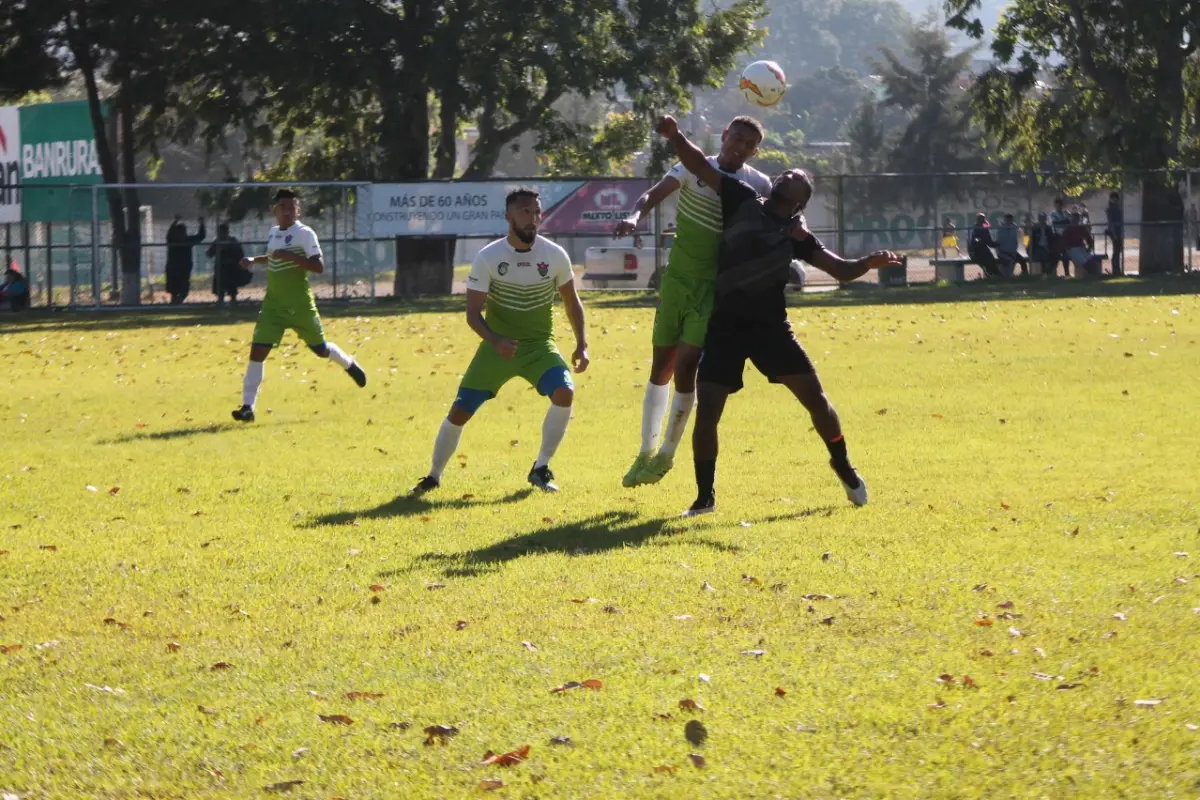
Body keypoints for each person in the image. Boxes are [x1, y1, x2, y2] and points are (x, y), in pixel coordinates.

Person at [654, 115, 900, 516]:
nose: (789, 175)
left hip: (771, 330)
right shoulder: (742, 198)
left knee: (817, 402)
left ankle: (842, 465)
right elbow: (698, 163)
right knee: (709, 408)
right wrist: (675, 135)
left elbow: (838, 269)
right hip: (726, 325)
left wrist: (868, 262)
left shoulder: (796, 235)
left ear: (802, 199)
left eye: (799, 177)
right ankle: (704, 498)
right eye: (787, 172)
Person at [612, 116, 772, 489]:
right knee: (660, 367)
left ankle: (666, 454)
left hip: (714, 290)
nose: (740, 146)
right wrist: (634, 216)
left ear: (755, 151)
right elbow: (653, 193)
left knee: (687, 365)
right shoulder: (691, 167)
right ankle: (644, 451)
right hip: (677, 282)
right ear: (724, 135)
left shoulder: (758, 184)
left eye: (749, 143)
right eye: (736, 138)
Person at [411, 189, 589, 495]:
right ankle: (433, 476)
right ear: (509, 217)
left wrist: (582, 343)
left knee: (565, 391)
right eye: (524, 212)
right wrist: (495, 342)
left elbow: (572, 303)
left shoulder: (555, 255)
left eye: (536, 212)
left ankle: (540, 467)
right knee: (460, 412)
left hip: (538, 345)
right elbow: (472, 314)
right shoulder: (489, 257)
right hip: (497, 349)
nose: (532, 219)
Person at [231, 189, 366, 422]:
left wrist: (292, 257)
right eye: (283, 206)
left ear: (298, 210)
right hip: (273, 306)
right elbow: (274, 257)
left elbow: (318, 266)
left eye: (292, 206)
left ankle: (348, 363)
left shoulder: (305, 234)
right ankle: (247, 408)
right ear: (275, 210)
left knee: (320, 349)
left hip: (300, 306)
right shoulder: (274, 232)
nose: (288, 211)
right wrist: (254, 260)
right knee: (257, 353)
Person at [165, 215, 206, 304]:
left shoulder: (188, 240)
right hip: (173, 268)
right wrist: (175, 222)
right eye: (179, 232)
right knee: (174, 289)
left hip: (184, 268)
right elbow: (169, 234)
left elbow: (201, 236)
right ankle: (174, 302)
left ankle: (179, 301)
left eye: (183, 232)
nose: (182, 234)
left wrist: (202, 224)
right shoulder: (172, 241)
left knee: (184, 289)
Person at [207, 223, 250, 305]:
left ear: (227, 232)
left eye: (223, 232)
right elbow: (209, 254)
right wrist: (218, 249)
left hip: (231, 267)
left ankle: (233, 299)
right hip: (220, 267)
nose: (221, 234)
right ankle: (220, 299)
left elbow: (240, 253)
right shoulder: (217, 242)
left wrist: (233, 259)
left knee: (232, 285)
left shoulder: (232, 241)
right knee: (219, 284)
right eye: (220, 232)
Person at [1062, 211, 1102, 276]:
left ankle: (1095, 274)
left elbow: (1089, 239)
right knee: (1085, 262)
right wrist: (1066, 250)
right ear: (1071, 219)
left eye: (1077, 219)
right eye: (1074, 218)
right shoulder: (1067, 229)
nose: (1075, 220)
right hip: (1072, 249)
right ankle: (1093, 275)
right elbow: (1064, 242)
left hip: (1082, 248)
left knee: (1091, 260)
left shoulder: (1081, 228)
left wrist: (1089, 248)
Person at [968, 213, 1002, 277]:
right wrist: (999, 244)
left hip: (978, 250)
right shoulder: (978, 229)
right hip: (977, 252)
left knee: (990, 257)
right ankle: (993, 274)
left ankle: (994, 274)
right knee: (989, 259)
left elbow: (989, 242)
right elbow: (989, 243)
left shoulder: (976, 228)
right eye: (982, 220)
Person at [1050, 197, 1071, 277]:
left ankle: (1067, 273)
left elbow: (1070, 221)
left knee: (1066, 255)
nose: (1058, 207)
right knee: (1056, 255)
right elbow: (1054, 223)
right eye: (1056, 205)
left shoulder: (1066, 212)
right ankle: (1052, 273)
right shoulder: (1053, 213)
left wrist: (1062, 222)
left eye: (1060, 205)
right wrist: (1064, 222)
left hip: (1066, 236)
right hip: (1057, 237)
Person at [1105, 191, 1124, 276]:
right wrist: (1114, 234)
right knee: (1116, 251)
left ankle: (1117, 269)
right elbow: (1111, 223)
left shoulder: (1117, 208)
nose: (1115, 200)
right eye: (1114, 199)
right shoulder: (1111, 209)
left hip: (1118, 231)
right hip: (1114, 232)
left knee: (1117, 250)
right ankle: (1115, 270)